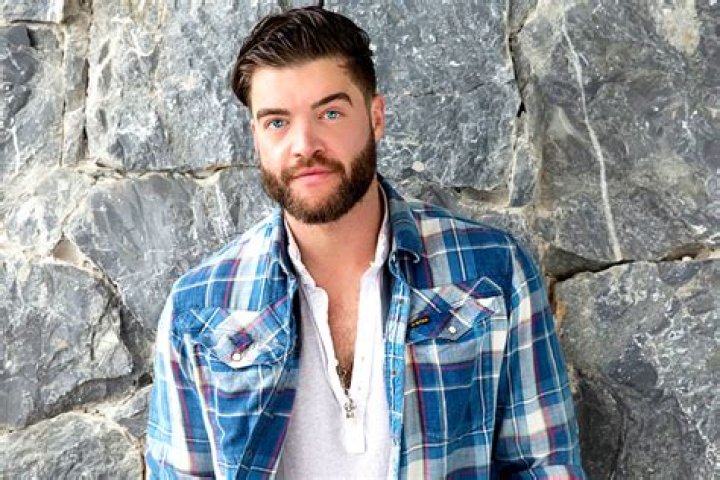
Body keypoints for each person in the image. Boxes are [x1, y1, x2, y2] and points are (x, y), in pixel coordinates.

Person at [145, 6, 586, 479]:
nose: (304, 144)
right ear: (256, 135)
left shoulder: (491, 272)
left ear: (376, 117)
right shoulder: (199, 308)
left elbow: (544, 467)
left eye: (330, 113)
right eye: (277, 122)